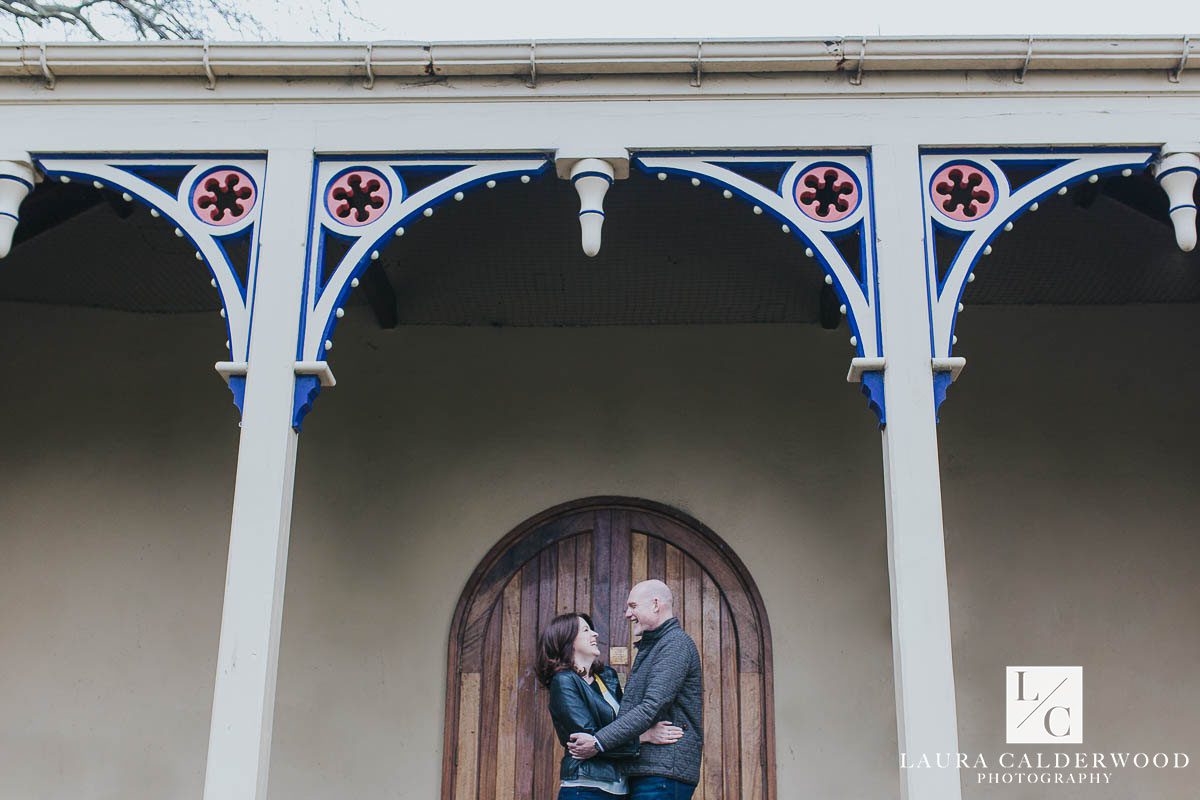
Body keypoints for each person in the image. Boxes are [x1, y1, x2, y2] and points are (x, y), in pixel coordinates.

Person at [567, 580, 703, 800]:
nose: (627, 614)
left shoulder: (675, 644)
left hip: (663, 772)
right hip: (650, 770)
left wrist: (598, 742)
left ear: (655, 604)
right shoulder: (655, 645)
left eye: (633, 606)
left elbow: (651, 706)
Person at [537, 612, 684, 799]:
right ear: (567, 640)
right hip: (586, 788)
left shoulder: (607, 677)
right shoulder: (564, 681)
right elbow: (588, 740)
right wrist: (645, 737)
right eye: (585, 630)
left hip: (620, 788)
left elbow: (624, 725)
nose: (595, 634)